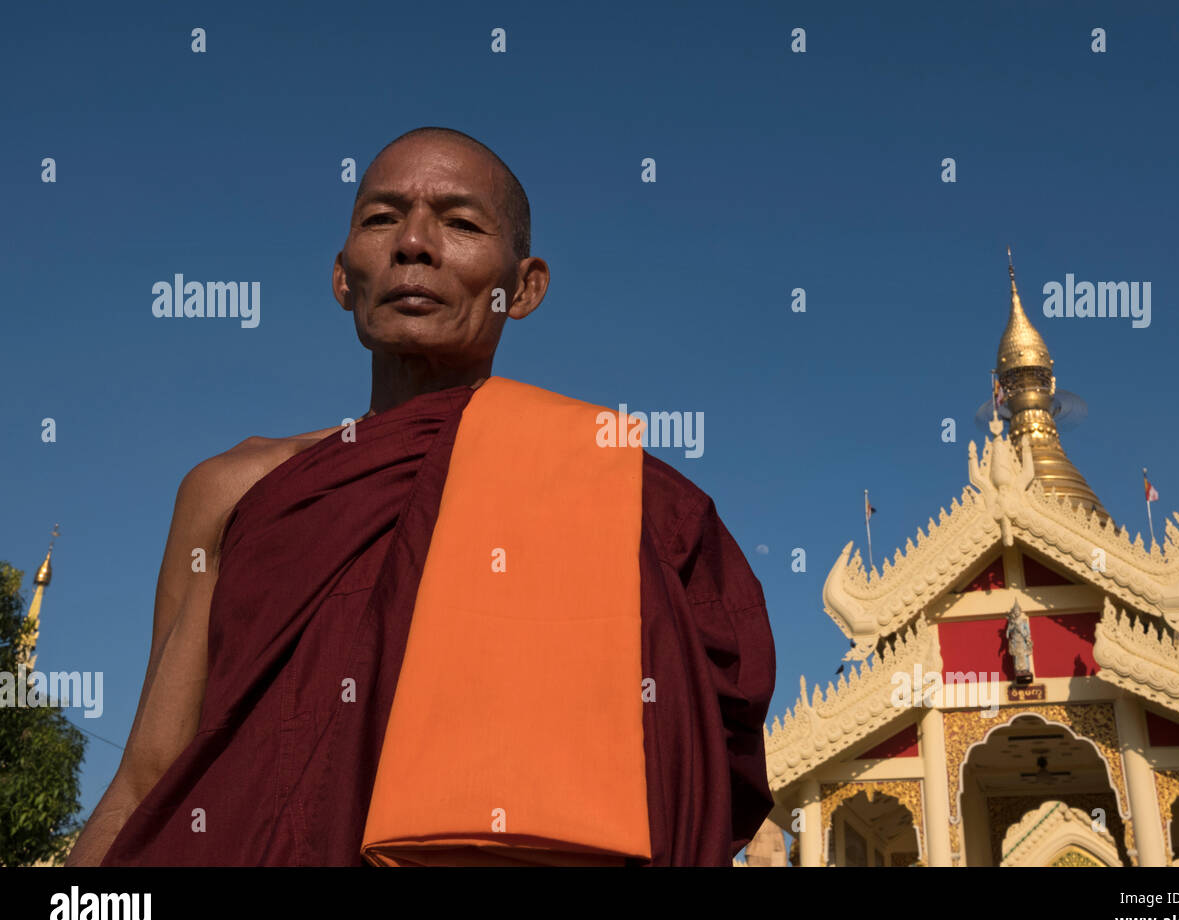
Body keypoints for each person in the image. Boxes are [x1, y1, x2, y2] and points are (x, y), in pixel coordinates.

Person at [66, 127, 776, 866]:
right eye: (382, 218)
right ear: (344, 277)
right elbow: (147, 774)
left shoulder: (625, 496)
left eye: (460, 223)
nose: (414, 243)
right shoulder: (236, 486)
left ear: (525, 287)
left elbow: (685, 773)